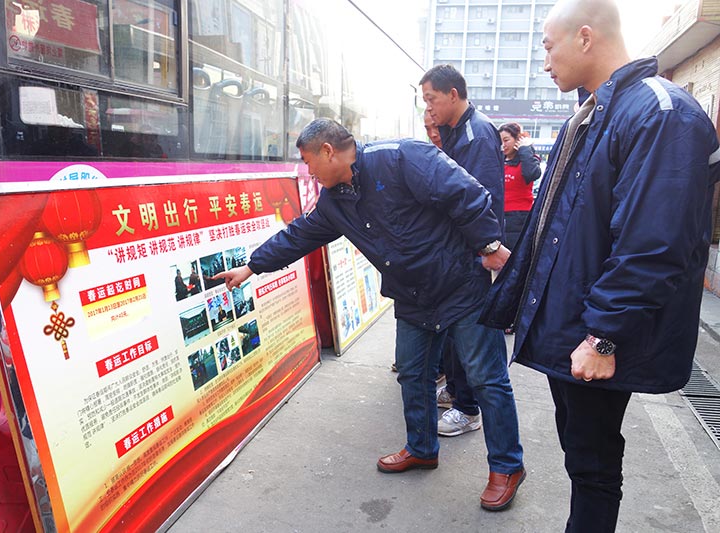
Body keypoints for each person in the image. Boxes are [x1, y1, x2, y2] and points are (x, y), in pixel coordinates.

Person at [480, 0, 720, 530]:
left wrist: (603, 337)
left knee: (593, 465)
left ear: (585, 37)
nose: (545, 62)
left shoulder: (659, 112)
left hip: (595, 331)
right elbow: (562, 224)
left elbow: (654, 244)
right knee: (582, 454)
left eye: (548, 47)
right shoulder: (594, 115)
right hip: (575, 323)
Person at [213, 118, 525, 511]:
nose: (309, 172)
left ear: (328, 151)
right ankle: (422, 448)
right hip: (412, 296)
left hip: (461, 286)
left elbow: (466, 193)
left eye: (309, 162)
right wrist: (252, 266)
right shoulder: (334, 202)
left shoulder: (401, 157)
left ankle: (507, 467)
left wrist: (488, 244)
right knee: (413, 374)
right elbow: (299, 235)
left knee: (486, 379)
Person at [420, 64, 505, 439]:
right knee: (455, 335)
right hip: (456, 252)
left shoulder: (476, 135)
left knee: (469, 338)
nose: (429, 108)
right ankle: (457, 392)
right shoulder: (457, 132)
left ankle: (468, 409)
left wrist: (484, 248)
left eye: (432, 99)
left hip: (471, 255)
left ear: (453, 94)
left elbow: (481, 201)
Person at [497, 122, 541, 250]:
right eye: (501, 141)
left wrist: (525, 149)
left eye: (506, 140)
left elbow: (531, 174)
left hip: (520, 217)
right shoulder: (499, 161)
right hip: (499, 215)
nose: (503, 145)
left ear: (517, 139)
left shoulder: (527, 159)